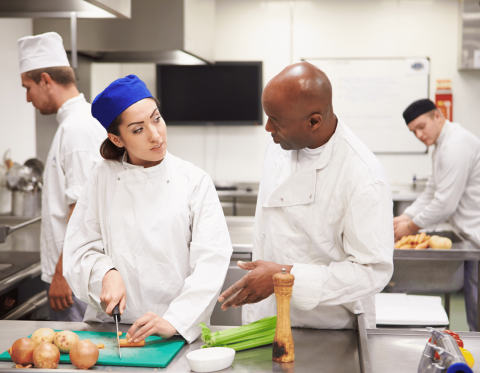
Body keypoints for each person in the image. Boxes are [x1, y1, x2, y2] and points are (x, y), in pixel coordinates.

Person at [218, 62, 394, 329]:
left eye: (275, 121)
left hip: (328, 326)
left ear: (314, 121)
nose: (267, 128)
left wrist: (285, 276)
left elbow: (372, 272)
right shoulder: (280, 141)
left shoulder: (363, 176)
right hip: (269, 318)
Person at [63, 75, 232, 343]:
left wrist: (174, 320)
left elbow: (211, 260)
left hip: (175, 331)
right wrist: (104, 273)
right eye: (138, 129)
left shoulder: (193, 180)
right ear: (117, 139)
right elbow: (79, 249)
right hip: (111, 331)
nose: (156, 135)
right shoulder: (101, 178)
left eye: (156, 119)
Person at [17, 32, 106, 321]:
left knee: (75, 358)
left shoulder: (77, 129)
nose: (28, 97)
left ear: (45, 80)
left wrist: (61, 274)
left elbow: (81, 210)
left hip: (73, 277)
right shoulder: (77, 122)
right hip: (72, 270)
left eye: (28, 87)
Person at [394, 98, 480, 331]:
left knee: (478, 315)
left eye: (422, 127)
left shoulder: (455, 145)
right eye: (414, 131)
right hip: (469, 235)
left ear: (438, 116)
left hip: (476, 236)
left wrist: (411, 227)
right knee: (475, 311)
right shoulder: (441, 145)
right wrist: (405, 217)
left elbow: (445, 204)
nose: (419, 135)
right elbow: (432, 190)